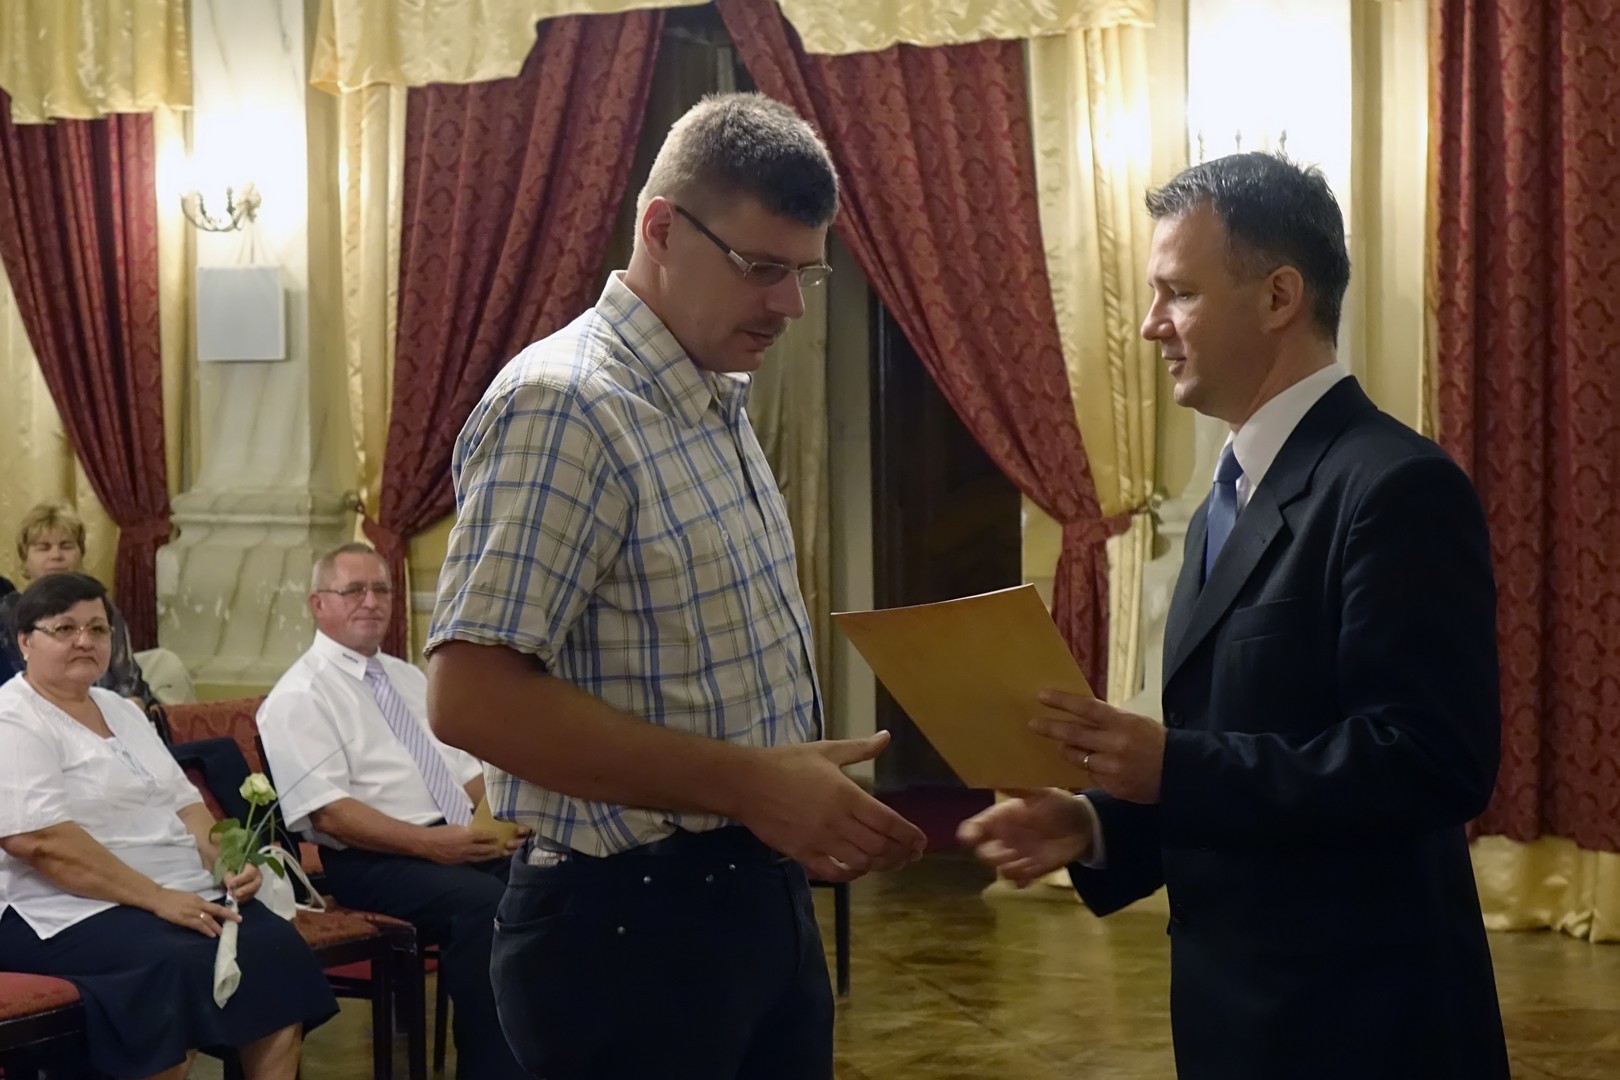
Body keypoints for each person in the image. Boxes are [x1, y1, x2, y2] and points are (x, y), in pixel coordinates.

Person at [959, 153, 1509, 1079]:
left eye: (1179, 293)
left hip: (1364, 1027)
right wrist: (1098, 826)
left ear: (1280, 295)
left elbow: (1428, 760)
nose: (1150, 324)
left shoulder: (1397, 485)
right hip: (1241, 1019)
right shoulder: (1229, 491)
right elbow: (1243, 747)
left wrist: (1170, 765)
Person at [426, 91, 926, 1079]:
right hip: (624, 930)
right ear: (661, 229)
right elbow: (469, 698)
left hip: (748, 897)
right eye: (762, 268)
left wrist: (780, 788)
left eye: (806, 272)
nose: (790, 305)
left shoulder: (711, 397)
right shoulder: (566, 404)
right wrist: (754, 783)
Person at [0, 572, 336, 1080]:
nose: (85, 641)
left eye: (97, 628)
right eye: (65, 628)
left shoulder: (121, 710)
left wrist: (228, 862)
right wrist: (157, 898)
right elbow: (40, 842)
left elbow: (186, 806)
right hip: (60, 908)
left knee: (275, 946)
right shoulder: (15, 718)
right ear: (25, 641)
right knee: (175, 963)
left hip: (173, 891)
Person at [255, 542, 528, 1080]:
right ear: (317, 603)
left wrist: (506, 817)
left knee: (550, 880)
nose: (371, 601)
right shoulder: (300, 695)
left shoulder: (409, 677)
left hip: (455, 840)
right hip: (374, 858)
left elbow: (465, 772)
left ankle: (552, 1054)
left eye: (381, 589)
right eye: (353, 590)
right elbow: (329, 814)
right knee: (484, 906)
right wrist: (433, 845)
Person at [0, 502, 156, 704]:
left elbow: (131, 685)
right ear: (25, 558)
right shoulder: (7, 613)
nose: (56, 556)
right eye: (43, 548)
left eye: (66, 546)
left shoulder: (100, 607)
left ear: (81, 554)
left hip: (107, 712)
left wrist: (124, 710)